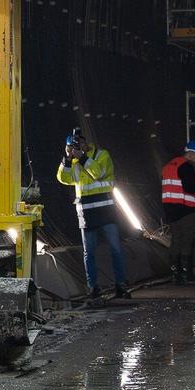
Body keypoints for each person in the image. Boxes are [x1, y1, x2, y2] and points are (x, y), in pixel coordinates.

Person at [60, 127, 128, 299]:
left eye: (80, 142)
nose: (78, 146)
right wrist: (67, 159)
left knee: (116, 249)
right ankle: (92, 288)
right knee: (88, 252)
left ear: (85, 141)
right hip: (86, 212)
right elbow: (63, 178)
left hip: (106, 210)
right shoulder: (74, 162)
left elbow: (98, 173)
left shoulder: (101, 155)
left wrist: (83, 157)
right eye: (74, 145)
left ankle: (121, 285)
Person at [160, 140, 195, 284]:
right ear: (190, 154)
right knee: (188, 241)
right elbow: (189, 188)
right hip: (186, 209)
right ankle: (187, 275)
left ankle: (175, 274)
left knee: (176, 240)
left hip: (170, 209)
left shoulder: (168, 166)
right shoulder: (187, 166)